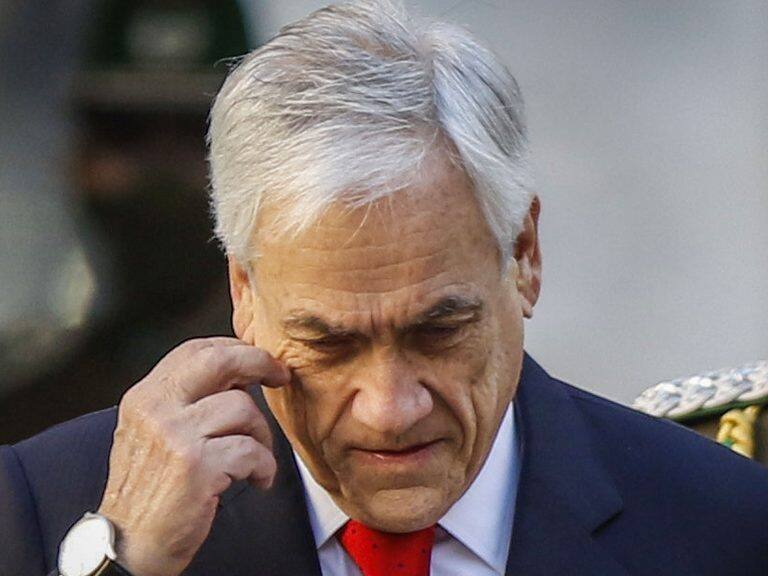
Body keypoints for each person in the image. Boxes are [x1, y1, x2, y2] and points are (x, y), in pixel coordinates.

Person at [2, 2, 768, 575]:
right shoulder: (47, 509)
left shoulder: (723, 525)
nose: (391, 407)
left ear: (525, 256)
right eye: (328, 343)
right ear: (244, 290)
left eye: (439, 330)